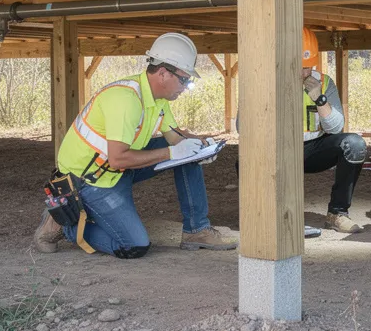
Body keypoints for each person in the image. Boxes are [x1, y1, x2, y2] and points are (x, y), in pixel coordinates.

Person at [32, 32, 236, 258]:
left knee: (188, 154)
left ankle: (196, 231)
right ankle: (66, 223)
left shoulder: (159, 99)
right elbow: (118, 158)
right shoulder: (126, 99)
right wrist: (172, 152)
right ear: (163, 73)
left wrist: (201, 147)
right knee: (134, 246)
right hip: (91, 180)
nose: (186, 86)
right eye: (184, 79)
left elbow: (175, 139)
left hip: (118, 168)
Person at [299, 28, 367, 233]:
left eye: (307, 67)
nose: (303, 73)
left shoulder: (323, 82)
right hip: (277, 150)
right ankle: (265, 215)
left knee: (354, 145)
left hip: (312, 149)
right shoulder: (264, 80)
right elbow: (243, 127)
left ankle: (337, 213)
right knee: (245, 159)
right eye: (297, 67)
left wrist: (319, 98)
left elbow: (336, 127)